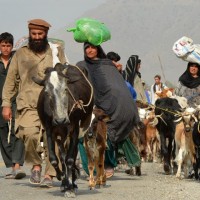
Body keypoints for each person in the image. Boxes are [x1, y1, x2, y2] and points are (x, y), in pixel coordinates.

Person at [2, 19, 67, 187]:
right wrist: (6, 104)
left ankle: (50, 175)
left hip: (52, 103)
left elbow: (64, 75)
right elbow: (10, 81)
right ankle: (36, 166)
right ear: (29, 34)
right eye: (34, 34)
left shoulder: (55, 51)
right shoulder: (20, 54)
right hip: (28, 104)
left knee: (53, 138)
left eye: (40, 34)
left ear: (46, 35)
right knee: (29, 135)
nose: (37, 37)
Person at [77, 42, 141, 178]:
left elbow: (117, 85)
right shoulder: (81, 65)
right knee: (83, 137)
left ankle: (108, 165)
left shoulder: (107, 65)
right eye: (87, 47)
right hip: (89, 105)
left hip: (108, 105)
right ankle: (91, 169)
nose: (89, 50)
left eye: (92, 47)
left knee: (108, 135)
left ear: (98, 49)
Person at [0, 32, 26, 179]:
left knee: (18, 130)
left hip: (17, 100)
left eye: (8, 45)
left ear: (12, 45)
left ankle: (18, 165)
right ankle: (11, 166)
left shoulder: (17, 60)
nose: (6, 48)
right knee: (3, 133)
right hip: (0, 103)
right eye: (3, 45)